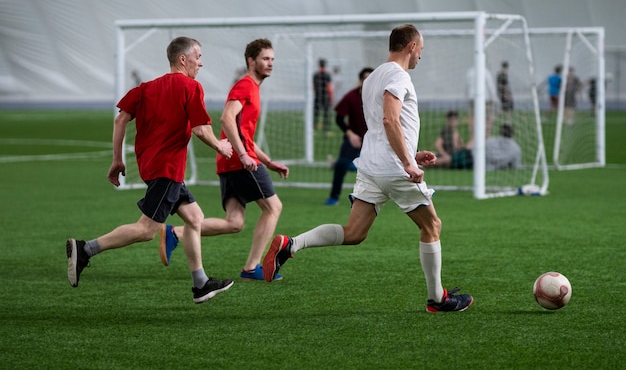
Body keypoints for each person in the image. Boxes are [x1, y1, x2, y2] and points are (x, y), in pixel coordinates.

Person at [262, 24, 474, 313]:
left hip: (371, 165)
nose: (420, 58)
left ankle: (291, 244)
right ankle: (437, 299)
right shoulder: (399, 76)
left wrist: (412, 152)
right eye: (421, 50)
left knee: (354, 233)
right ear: (411, 46)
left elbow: (380, 124)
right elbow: (389, 120)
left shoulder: (373, 76)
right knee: (432, 225)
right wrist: (407, 161)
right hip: (393, 167)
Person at [66, 37, 234, 304]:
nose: (200, 63)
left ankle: (200, 283)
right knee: (146, 230)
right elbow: (200, 129)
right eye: (198, 56)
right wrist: (220, 147)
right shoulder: (191, 86)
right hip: (167, 169)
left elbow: (121, 118)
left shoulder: (146, 88)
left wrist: (117, 159)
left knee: (194, 217)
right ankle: (85, 249)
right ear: (183, 59)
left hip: (151, 167)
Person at [160, 38, 289, 282]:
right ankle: (252, 268)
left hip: (231, 161)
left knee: (234, 222)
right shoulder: (245, 85)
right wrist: (243, 155)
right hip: (239, 161)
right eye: (265, 59)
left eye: (272, 59)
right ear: (251, 61)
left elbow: (245, 135)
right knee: (274, 207)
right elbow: (227, 119)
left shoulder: (252, 87)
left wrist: (269, 162)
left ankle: (175, 233)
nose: (270, 64)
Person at [324, 67, 374, 206]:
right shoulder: (351, 97)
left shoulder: (381, 97)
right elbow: (339, 119)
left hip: (375, 139)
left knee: (386, 166)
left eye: (371, 79)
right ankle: (334, 197)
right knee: (341, 165)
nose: (367, 82)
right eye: (365, 79)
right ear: (360, 80)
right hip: (354, 138)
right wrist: (350, 134)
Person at [466, 65, 496, 137]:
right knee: (488, 118)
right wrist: (494, 98)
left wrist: (467, 96)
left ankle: (473, 137)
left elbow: (467, 86)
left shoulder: (470, 72)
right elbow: (490, 85)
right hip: (486, 98)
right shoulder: (486, 72)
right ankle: (487, 135)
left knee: (473, 117)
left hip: (472, 98)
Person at [312, 58, 334, 132]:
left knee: (316, 113)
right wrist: (331, 98)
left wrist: (316, 93)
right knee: (326, 114)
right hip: (326, 96)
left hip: (318, 96)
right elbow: (329, 87)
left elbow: (314, 86)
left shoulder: (316, 74)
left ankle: (314, 128)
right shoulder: (327, 75)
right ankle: (326, 129)